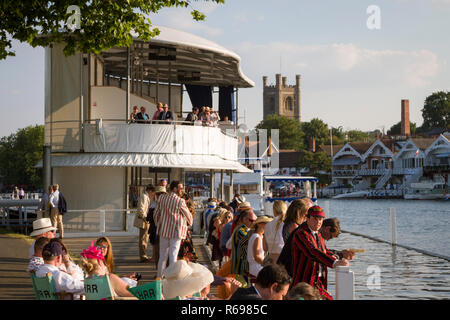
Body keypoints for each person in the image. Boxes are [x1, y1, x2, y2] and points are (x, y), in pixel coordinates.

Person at [291, 205, 349, 300]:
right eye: (315, 219)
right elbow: (312, 252)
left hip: (318, 283)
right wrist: (334, 263)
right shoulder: (301, 234)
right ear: (307, 218)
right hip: (304, 283)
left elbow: (324, 252)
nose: (318, 222)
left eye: (321, 219)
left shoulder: (318, 234)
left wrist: (339, 258)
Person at [154, 181, 193, 278]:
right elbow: (188, 216)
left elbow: (156, 214)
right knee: (173, 255)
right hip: (176, 231)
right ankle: (171, 278)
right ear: (175, 189)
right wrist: (190, 223)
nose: (182, 190)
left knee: (162, 256)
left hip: (163, 230)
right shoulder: (180, 201)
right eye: (180, 188)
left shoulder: (161, 198)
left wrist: (158, 224)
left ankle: (160, 277)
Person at [230, 207, 257, 276]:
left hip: (241, 268)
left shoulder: (244, 229)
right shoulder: (241, 230)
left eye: (255, 221)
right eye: (251, 220)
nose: (254, 223)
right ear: (244, 219)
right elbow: (250, 241)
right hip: (240, 268)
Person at [133, 185, 155, 263]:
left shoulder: (145, 196)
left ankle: (143, 255)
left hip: (144, 220)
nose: (153, 194)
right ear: (149, 190)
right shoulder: (144, 197)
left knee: (144, 238)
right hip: (143, 221)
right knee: (143, 239)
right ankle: (143, 257)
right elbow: (141, 209)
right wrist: (146, 218)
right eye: (153, 192)